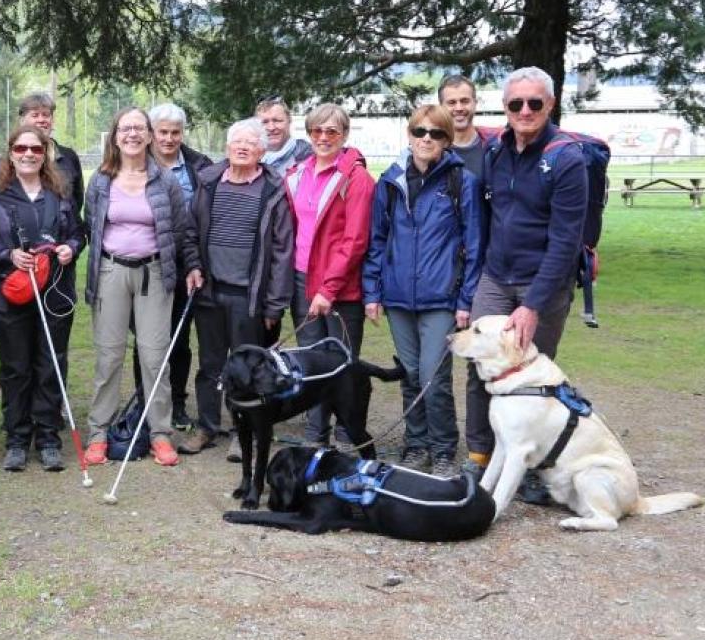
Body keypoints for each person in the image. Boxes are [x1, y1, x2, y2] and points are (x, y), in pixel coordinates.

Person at [474, 66, 588, 502]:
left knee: (532, 379)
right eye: (515, 103)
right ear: (505, 107)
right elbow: (490, 216)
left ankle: (535, 468)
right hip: (496, 276)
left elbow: (565, 240)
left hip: (543, 283)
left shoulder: (567, 158)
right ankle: (481, 459)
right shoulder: (497, 151)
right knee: (479, 365)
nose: (524, 110)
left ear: (550, 105)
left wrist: (533, 303)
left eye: (534, 103)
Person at [362, 104, 483, 477]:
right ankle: (416, 444)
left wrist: (466, 300)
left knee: (434, 377)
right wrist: (372, 292)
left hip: (441, 297)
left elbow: (474, 245)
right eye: (420, 132)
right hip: (398, 296)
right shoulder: (390, 181)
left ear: (447, 140)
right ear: (410, 135)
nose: (426, 139)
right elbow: (377, 240)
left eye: (436, 133)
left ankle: (443, 447)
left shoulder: (462, 182)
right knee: (411, 374)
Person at [82, 107, 203, 467]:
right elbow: (92, 224)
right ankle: (99, 432)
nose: (132, 134)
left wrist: (190, 264)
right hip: (111, 272)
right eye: (125, 128)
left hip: (154, 274)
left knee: (154, 356)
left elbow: (180, 230)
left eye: (139, 128)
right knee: (109, 356)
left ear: (149, 135)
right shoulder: (101, 180)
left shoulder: (165, 180)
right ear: (115, 135)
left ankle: (160, 433)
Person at [0, 125, 81, 471]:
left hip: (54, 294)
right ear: (11, 152)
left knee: (50, 364)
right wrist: (8, 256)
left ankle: (48, 436)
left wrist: (70, 248)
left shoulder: (60, 194)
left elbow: (79, 233)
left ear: (45, 152)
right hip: (11, 296)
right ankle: (17, 438)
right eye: (21, 148)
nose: (29, 154)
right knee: (15, 368)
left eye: (36, 148)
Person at [180, 118, 292, 454]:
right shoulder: (209, 182)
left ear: (262, 150)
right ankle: (207, 427)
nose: (243, 148)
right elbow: (189, 232)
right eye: (237, 142)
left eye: (250, 143)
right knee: (210, 366)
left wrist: (275, 304)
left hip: (250, 296)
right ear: (227, 148)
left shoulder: (274, 190)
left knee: (248, 369)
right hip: (210, 292)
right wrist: (194, 266)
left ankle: (244, 433)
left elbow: (282, 253)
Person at [283, 103, 376, 454]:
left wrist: (328, 288)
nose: (323, 138)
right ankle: (316, 429)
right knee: (310, 359)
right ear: (309, 134)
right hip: (301, 279)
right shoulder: (297, 172)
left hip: (340, 288)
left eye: (332, 132)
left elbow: (355, 241)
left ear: (345, 135)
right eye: (317, 131)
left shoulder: (356, 178)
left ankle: (347, 430)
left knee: (342, 362)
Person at [136, 102, 214, 430]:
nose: (169, 138)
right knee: (148, 338)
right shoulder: (136, 163)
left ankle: (178, 403)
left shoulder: (200, 166)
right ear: (152, 133)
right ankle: (145, 403)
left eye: (175, 132)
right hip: (149, 264)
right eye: (162, 132)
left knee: (179, 340)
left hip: (188, 265)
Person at [438, 73, 490, 475]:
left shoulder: (491, 152)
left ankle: (496, 448)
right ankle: (473, 451)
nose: (458, 108)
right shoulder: (432, 148)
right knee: (457, 364)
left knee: (488, 361)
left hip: (486, 268)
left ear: (475, 103)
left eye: (464, 101)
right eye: (451, 102)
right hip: (442, 272)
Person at [18, 91, 85, 215]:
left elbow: (77, 200)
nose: (41, 120)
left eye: (46, 115)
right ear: (22, 120)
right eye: (35, 115)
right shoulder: (11, 159)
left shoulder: (69, 157)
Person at [256, 95, 312, 177]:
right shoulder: (248, 159)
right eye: (264, 122)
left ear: (289, 121)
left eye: (277, 121)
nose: (271, 127)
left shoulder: (310, 157)